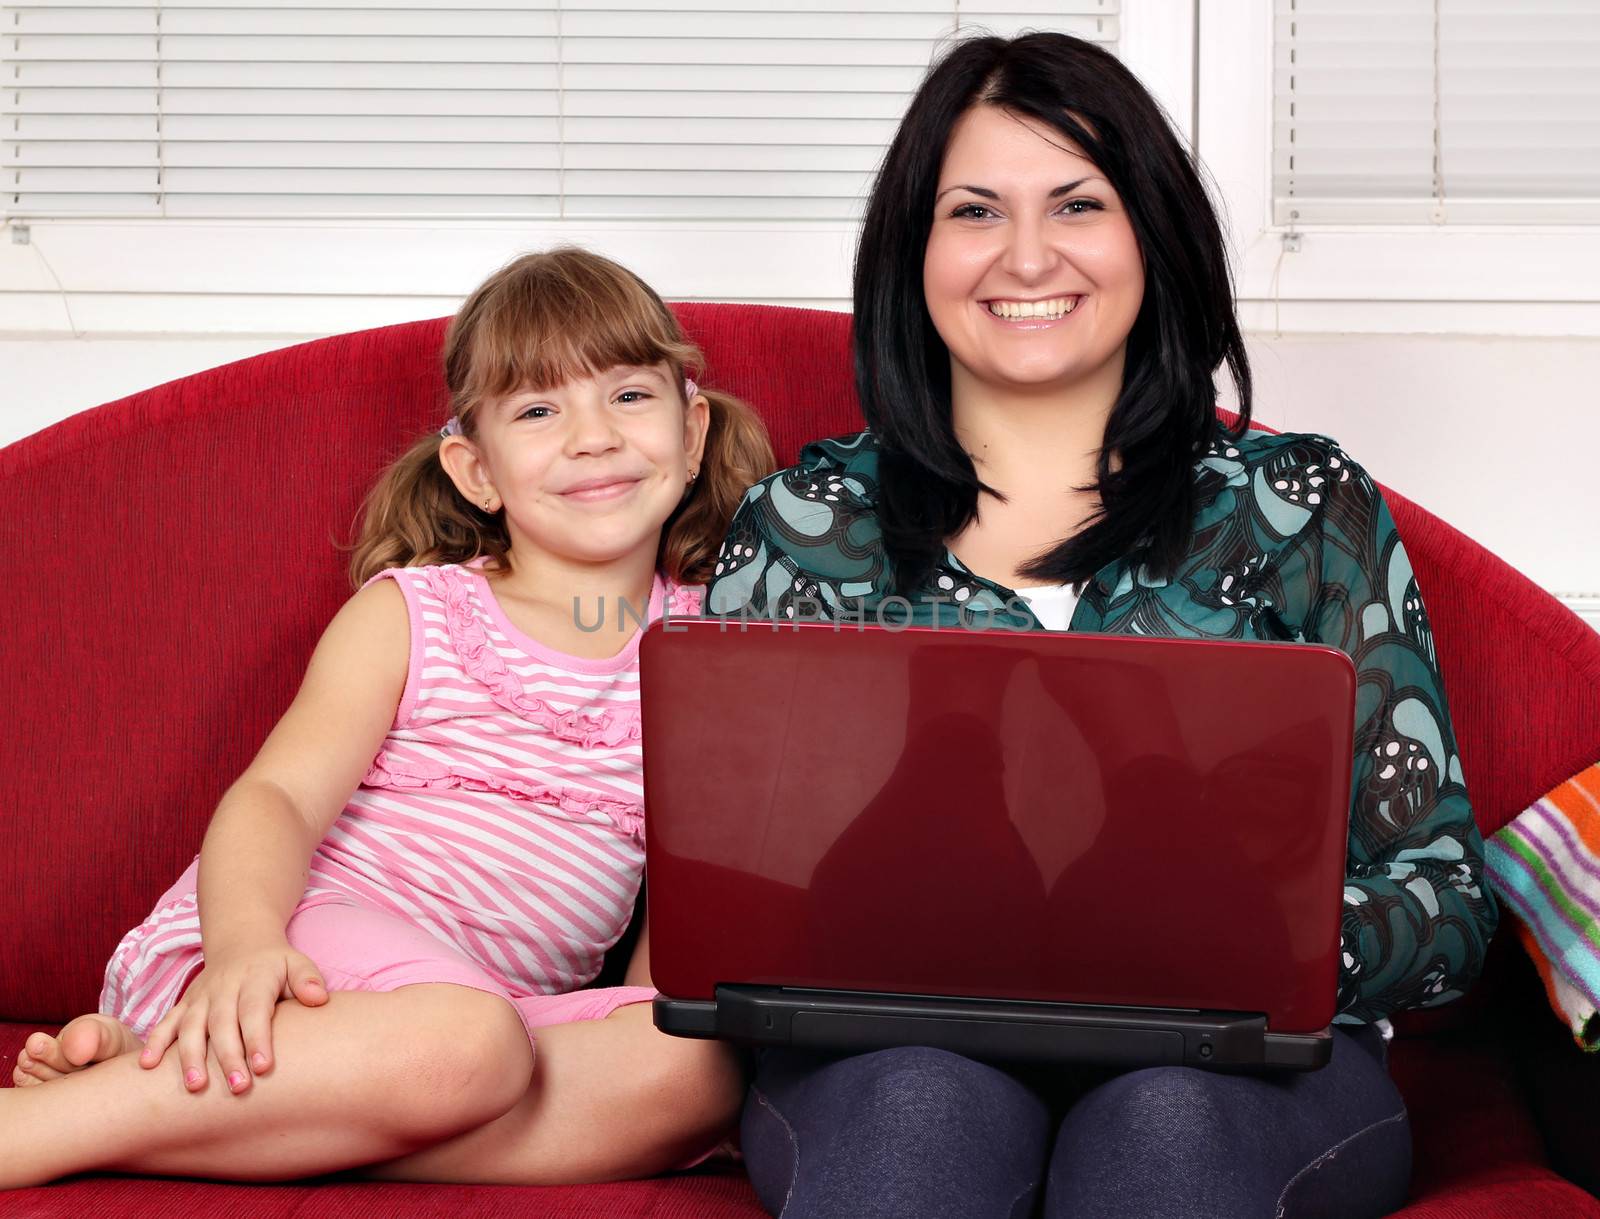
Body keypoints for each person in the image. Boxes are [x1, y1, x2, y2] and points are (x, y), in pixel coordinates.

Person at [705, 33, 1498, 1219]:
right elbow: (730, 905)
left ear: (1150, 233)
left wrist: (1256, 949)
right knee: (920, 1113)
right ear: (911, 249)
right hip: (876, 1063)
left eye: (1077, 202)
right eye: (975, 210)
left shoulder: (1299, 510)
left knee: (1162, 1126)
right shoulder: (799, 527)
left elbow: (1441, 895)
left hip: (1241, 1071)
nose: (1026, 256)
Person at [4, 247, 774, 1190]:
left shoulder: (716, 652)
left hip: (476, 1020)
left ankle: (203, 1104)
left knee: (690, 1060)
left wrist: (640, 1029)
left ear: (692, 432)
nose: (591, 436)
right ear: (475, 468)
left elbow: (676, 919)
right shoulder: (418, 611)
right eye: (538, 410)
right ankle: (46, 1128)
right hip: (298, 939)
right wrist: (249, 947)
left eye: (628, 396)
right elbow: (277, 796)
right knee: (467, 1044)